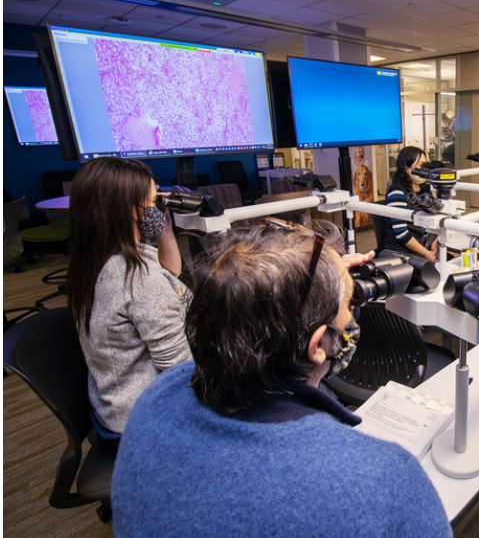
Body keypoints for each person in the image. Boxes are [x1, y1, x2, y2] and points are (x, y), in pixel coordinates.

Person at [111, 221, 452, 538]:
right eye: (349, 307)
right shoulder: (387, 478)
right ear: (319, 346)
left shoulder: (153, 400)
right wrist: (332, 291)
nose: (351, 316)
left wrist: (321, 280)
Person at [66, 157, 191, 439]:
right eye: (153, 201)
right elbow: (181, 375)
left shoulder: (93, 262)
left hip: (115, 404)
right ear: (130, 212)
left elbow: (169, 271)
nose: (157, 207)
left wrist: (164, 230)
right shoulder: (140, 280)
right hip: (144, 422)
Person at [380, 146, 438, 262]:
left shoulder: (424, 188)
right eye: (420, 165)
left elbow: (434, 217)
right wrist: (427, 254)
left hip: (422, 247)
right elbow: (401, 233)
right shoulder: (397, 191)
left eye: (425, 164)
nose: (424, 168)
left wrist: (435, 243)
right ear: (407, 169)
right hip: (400, 252)